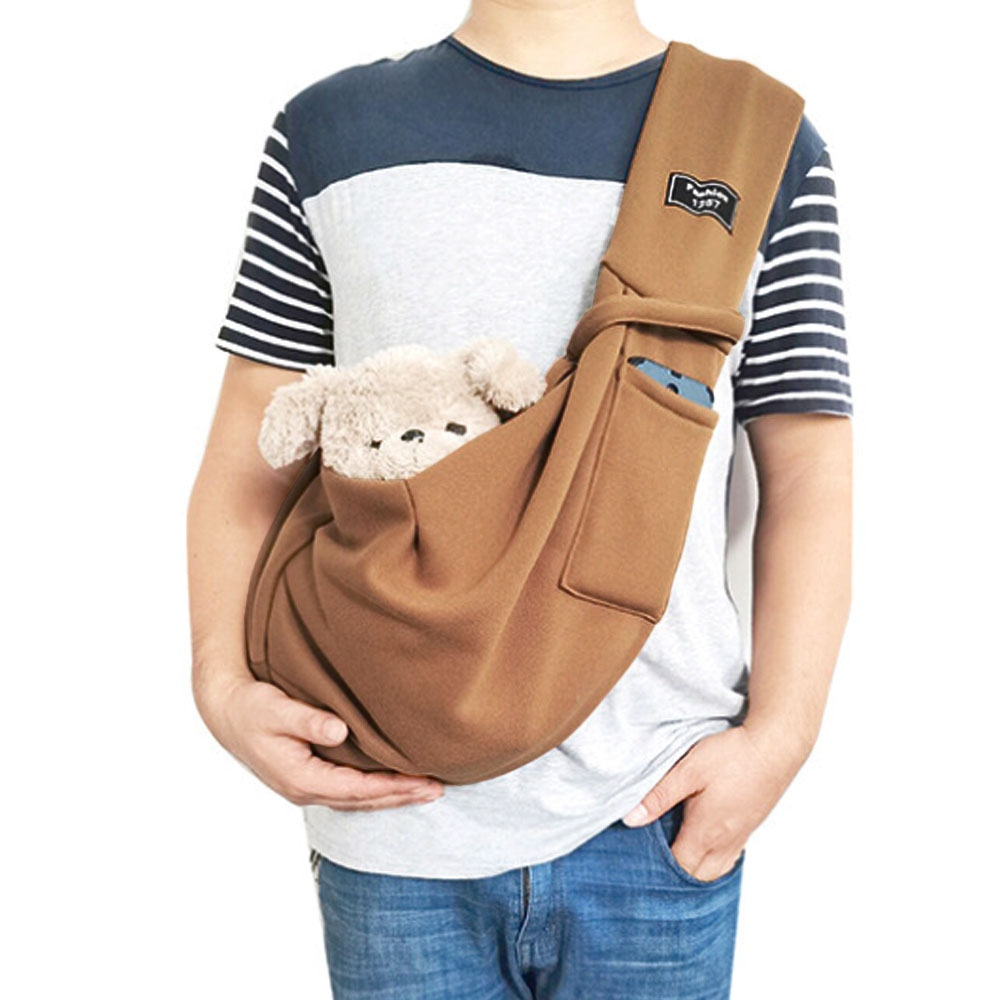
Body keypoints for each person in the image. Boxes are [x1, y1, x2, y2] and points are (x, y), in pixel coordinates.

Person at [186, 1, 853, 996]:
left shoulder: (761, 142)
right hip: (389, 804)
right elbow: (250, 461)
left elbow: (806, 473)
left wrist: (779, 740)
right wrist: (221, 688)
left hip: (655, 802)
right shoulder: (328, 133)